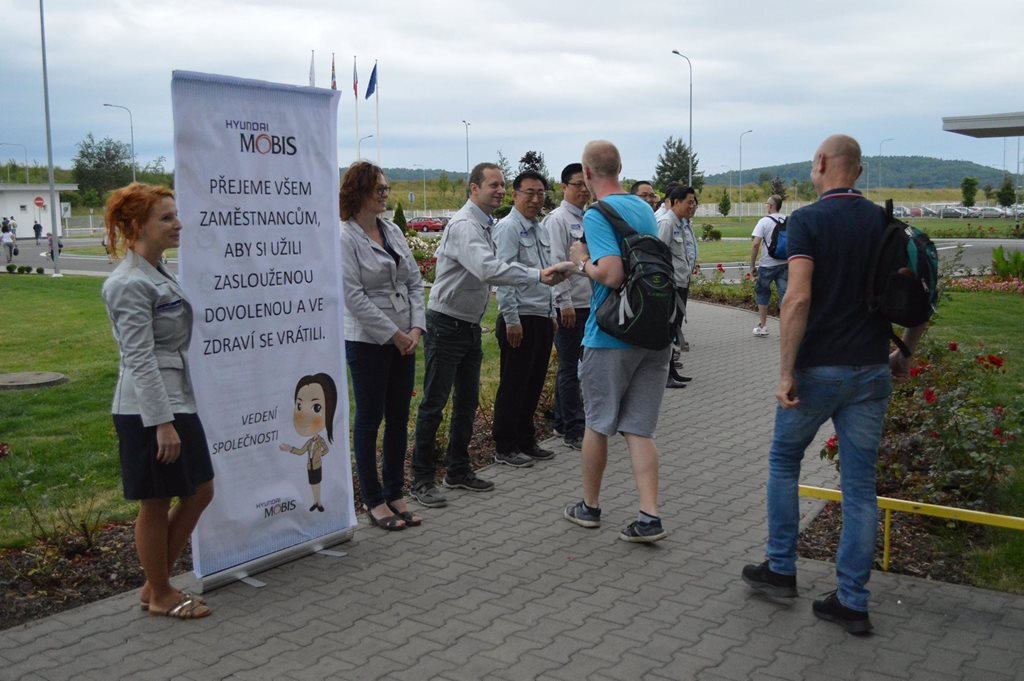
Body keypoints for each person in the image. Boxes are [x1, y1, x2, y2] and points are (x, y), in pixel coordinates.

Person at [740, 135, 927, 634]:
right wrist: (904, 353)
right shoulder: (887, 224)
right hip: (870, 369)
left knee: (784, 462)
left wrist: (785, 372)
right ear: (859, 172)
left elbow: (797, 299)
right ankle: (852, 600)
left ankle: (781, 569)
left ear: (820, 163)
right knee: (861, 487)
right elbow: (921, 294)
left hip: (818, 369)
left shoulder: (808, 221)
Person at [410, 162, 573, 508]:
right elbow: (488, 269)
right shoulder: (466, 226)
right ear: (474, 189)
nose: (500, 190)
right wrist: (538, 275)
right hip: (446, 323)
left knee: (466, 403)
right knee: (435, 404)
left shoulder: (486, 224)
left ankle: (457, 469)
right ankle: (421, 479)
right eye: (493, 185)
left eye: (501, 184)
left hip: (468, 324)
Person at [101, 182, 214, 620]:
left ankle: (154, 584)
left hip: (176, 399)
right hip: (148, 409)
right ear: (136, 226)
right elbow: (139, 358)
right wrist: (161, 423)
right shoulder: (127, 284)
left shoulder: (157, 271)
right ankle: (161, 593)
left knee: (200, 490)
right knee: (156, 501)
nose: (177, 224)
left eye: (175, 215)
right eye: (166, 218)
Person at [564, 140, 671, 543]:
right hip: (652, 331)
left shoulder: (597, 213)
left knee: (598, 423)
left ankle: (590, 507)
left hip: (611, 333)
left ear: (587, 174)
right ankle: (649, 516)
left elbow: (611, 273)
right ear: (620, 168)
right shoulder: (643, 208)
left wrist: (579, 261)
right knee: (640, 429)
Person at [339, 161, 425, 530]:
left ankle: (395, 492)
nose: (386, 194)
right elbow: (353, 297)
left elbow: (414, 281)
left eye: (387, 188)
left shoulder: (392, 229)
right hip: (368, 341)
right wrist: (394, 334)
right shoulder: (345, 237)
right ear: (359, 192)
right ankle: (373, 500)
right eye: (380, 189)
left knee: (399, 418)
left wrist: (416, 328)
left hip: (405, 339)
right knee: (370, 419)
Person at [492, 170, 557, 467]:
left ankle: (526, 439)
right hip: (519, 317)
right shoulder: (508, 228)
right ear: (515, 194)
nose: (535, 199)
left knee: (533, 383)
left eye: (540, 193)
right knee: (514, 384)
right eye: (529, 192)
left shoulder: (540, 228)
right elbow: (503, 275)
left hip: (541, 315)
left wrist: (551, 312)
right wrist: (511, 319)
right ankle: (505, 445)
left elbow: (548, 273)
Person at [544, 163, 591, 450]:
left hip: (589, 301)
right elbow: (555, 262)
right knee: (571, 367)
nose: (583, 190)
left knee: (577, 367)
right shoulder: (557, 220)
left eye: (586, 184)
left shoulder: (588, 218)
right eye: (577, 184)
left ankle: (562, 422)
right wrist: (564, 302)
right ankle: (574, 429)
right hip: (571, 305)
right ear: (563, 187)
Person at [657, 186, 698, 388]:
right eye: (689, 202)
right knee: (668, 330)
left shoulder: (680, 223)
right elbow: (658, 254)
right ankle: (664, 375)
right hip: (671, 286)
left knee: (675, 329)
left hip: (682, 282)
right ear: (675, 202)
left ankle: (671, 371)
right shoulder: (666, 223)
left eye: (694, 202)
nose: (692, 206)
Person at [749, 195, 788, 337]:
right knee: (784, 295)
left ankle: (763, 326)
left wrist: (752, 265)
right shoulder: (787, 220)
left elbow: (755, 244)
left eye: (767, 204)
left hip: (767, 264)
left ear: (771, 206)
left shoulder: (764, 221)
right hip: (784, 263)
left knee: (762, 293)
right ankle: (785, 330)